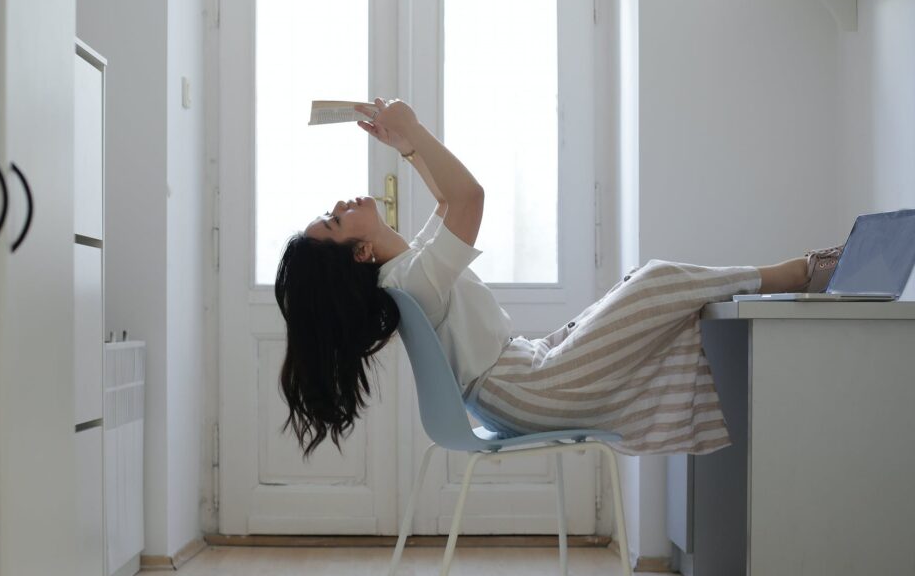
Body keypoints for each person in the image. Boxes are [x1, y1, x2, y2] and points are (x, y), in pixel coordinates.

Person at [275, 98, 841, 458]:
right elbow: (470, 198)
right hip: (529, 389)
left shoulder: (409, 271)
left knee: (640, 283)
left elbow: (449, 199)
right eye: (334, 220)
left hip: (528, 375)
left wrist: (406, 146)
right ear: (358, 252)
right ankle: (799, 271)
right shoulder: (414, 281)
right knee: (655, 281)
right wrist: (416, 133)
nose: (340, 204)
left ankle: (797, 272)